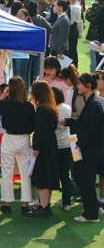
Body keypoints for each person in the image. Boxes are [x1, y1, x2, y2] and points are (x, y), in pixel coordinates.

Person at [62, 73, 104, 222]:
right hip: (88, 149)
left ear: (88, 85)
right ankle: (94, 207)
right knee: (81, 177)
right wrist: (70, 121)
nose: (77, 86)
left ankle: (90, 214)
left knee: (85, 179)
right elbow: (85, 123)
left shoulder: (94, 103)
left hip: (89, 150)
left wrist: (81, 143)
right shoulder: (92, 102)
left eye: (80, 84)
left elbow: (93, 128)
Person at [0, 77, 36, 214]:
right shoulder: (29, 106)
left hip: (10, 138)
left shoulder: (7, 104)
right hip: (24, 139)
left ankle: (7, 204)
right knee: (25, 173)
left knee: (7, 171)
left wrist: (3, 96)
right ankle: (25, 204)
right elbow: (33, 125)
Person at [26, 81, 60, 218]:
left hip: (43, 146)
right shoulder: (52, 107)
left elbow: (40, 131)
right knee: (48, 175)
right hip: (51, 144)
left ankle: (43, 207)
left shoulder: (41, 108)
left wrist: (36, 148)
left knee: (42, 177)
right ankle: (46, 205)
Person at [52, 86, 73, 211]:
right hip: (66, 145)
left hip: (53, 146)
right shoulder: (67, 108)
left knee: (49, 174)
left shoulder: (50, 110)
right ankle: (67, 202)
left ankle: (43, 202)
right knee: (65, 175)